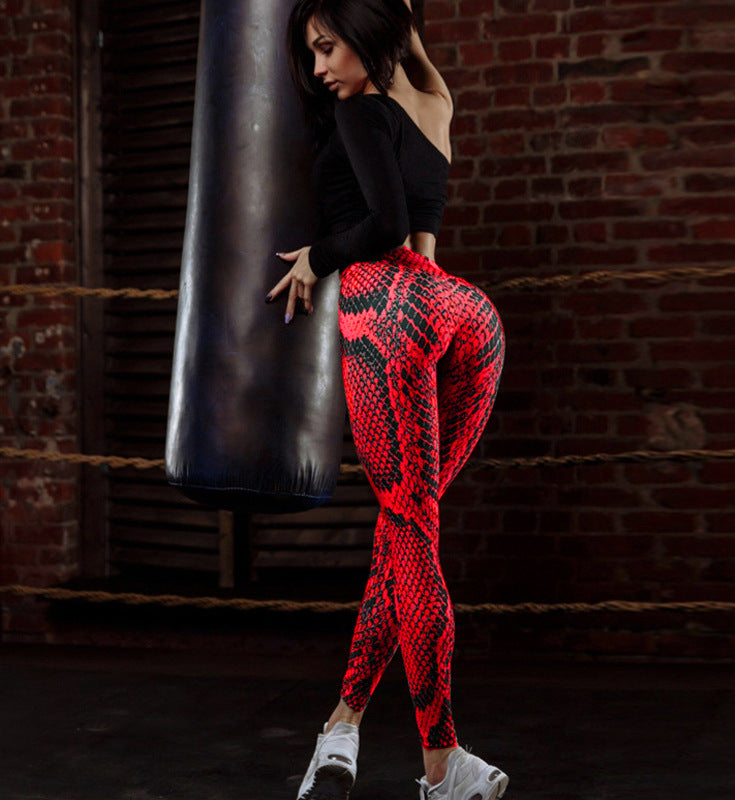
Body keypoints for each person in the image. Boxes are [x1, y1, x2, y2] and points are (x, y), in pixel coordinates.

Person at [266, 1, 508, 798]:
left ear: (366, 40)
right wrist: (397, 19)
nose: (319, 69)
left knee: (410, 530)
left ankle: (443, 761)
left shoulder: (362, 112)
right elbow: (417, 59)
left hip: (389, 306)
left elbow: (388, 224)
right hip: (466, 313)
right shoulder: (435, 106)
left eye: (328, 48)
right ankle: (341, 728)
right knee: (407, 528)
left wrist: (318, 256)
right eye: (311, 53)